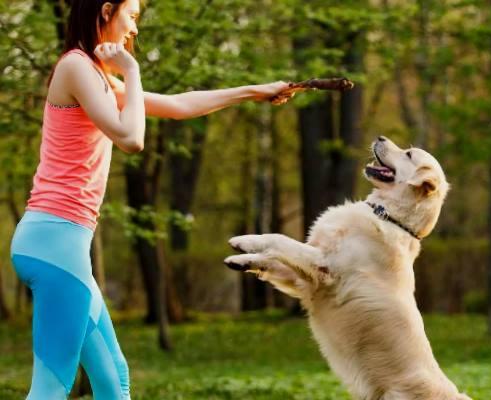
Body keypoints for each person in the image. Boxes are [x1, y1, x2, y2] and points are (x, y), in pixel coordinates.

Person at [9, 0, 292, 398]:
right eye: (133, 16)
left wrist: (255, 92)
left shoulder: (97, 79)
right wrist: (133, 69)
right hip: (55, 243)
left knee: (114, 379)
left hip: (61, 245)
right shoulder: (75, 67)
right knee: (50, 390)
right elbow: (132, 138)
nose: (135, 30)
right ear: (107, 10)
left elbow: (178, 105)